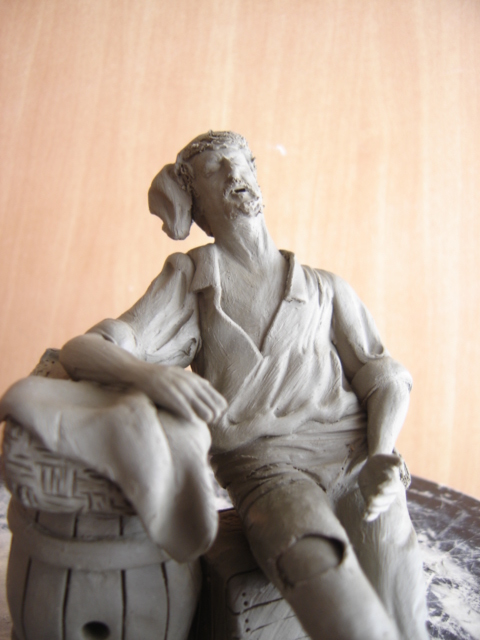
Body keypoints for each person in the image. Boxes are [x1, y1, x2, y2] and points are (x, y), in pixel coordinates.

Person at [1, 131, 428, 639]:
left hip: (358, 455)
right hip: (269, 471)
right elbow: (86, 349)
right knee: (320, 568)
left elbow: (385, 376)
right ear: (195, 202)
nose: (233, 174)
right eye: (213, 169)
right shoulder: (193, 281)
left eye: (241, 162)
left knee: (395, 567)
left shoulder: (325, 287)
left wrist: (382, 452)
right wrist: (152, 377)